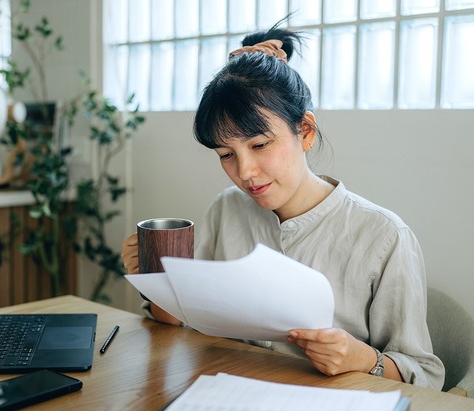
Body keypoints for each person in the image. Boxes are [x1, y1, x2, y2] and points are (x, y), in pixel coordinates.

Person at [121, 22, 445, 390]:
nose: (244, 172)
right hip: (229, 399)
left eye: (259, 145)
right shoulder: (227, 209)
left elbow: (426, 376)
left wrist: (362, 359)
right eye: (227, 154)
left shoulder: (383, 236)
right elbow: (181, 321)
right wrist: (156, 280)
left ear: (305, 131)